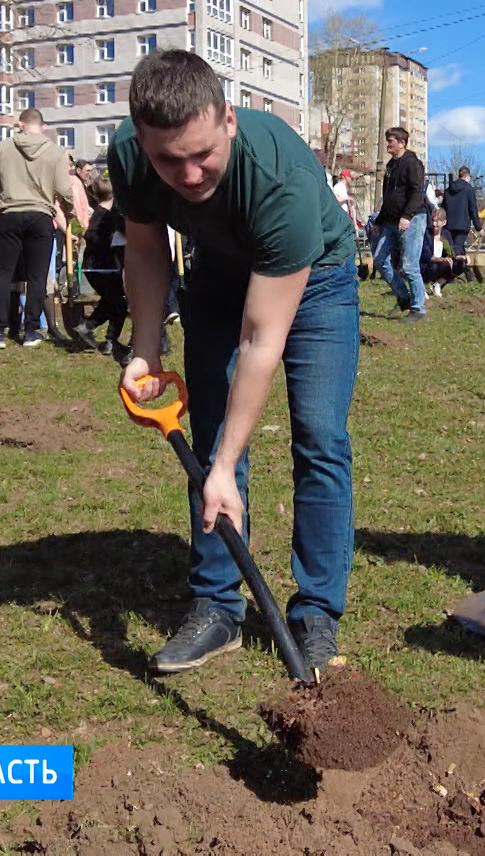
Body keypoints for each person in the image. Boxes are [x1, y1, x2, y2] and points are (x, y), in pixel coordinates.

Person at [111, 50, 360, 676]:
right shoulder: (131, 157)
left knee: (319, 436)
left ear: (228, 119)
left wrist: (222, 467)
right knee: (210, 432)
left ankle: (316, 614)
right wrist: (144, 350)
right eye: (170, 160)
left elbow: (261, 341)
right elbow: (144, 251)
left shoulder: (278, 178)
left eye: (202, 154)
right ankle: (218, 607)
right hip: (218, 275)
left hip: (317, 277)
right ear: (142, 141)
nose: (189, 175)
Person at [0, 108, 74, 348]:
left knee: (2, 274)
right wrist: (69, 210)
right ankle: (31, 330)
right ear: (42, 126)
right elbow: (64, 189)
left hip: (9, 213)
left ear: (21, 124)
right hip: (40, 215)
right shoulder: (56, 152)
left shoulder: (3, 148)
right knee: (37, 276)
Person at [370, 126, 429, 322]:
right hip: (389, 221)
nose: (388, 144)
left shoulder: (412, 164)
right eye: (387, 140)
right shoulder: (390, 166)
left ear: (402, 143)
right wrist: (379, 220)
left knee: (409, 265)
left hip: (412, 219)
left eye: (391, 141)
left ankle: (418, 308)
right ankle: (404, 297)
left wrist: (407, 215)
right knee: (379, 260)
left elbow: (417, 192)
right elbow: (389, 197)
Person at [80, 176, 128, 360]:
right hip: (102, 267)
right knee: (119, 303)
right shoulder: (107, 215)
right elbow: (92, 236)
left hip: (96, 267)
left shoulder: (101, 213)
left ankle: (89, 328)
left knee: (112, 300)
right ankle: (105, 337)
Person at [441, 166, 481, 264]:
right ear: (467, 176)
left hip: (448, 224)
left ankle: (467, 274)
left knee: (454, 246)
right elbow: (473, 209)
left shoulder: (448, 190)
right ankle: (451, 272)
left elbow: (443, 207)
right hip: (462, 225)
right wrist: (478, 227)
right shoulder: (469, 189)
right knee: (457, 249)